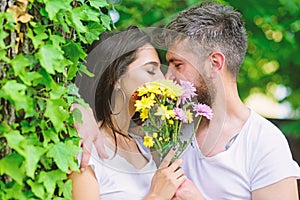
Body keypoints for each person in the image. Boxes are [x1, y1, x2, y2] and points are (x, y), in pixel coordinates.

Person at [76, 2, 300, 200]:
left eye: (178, 64)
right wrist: (79, 110)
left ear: (214, 63)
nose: (168, 77)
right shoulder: (167, 127)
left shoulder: (264, 143)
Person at [69, 26, 186, 200]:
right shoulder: (87, 150)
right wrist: (155, 196)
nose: (162, 80)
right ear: (116, 78)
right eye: (150, 71)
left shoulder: (145, 147)